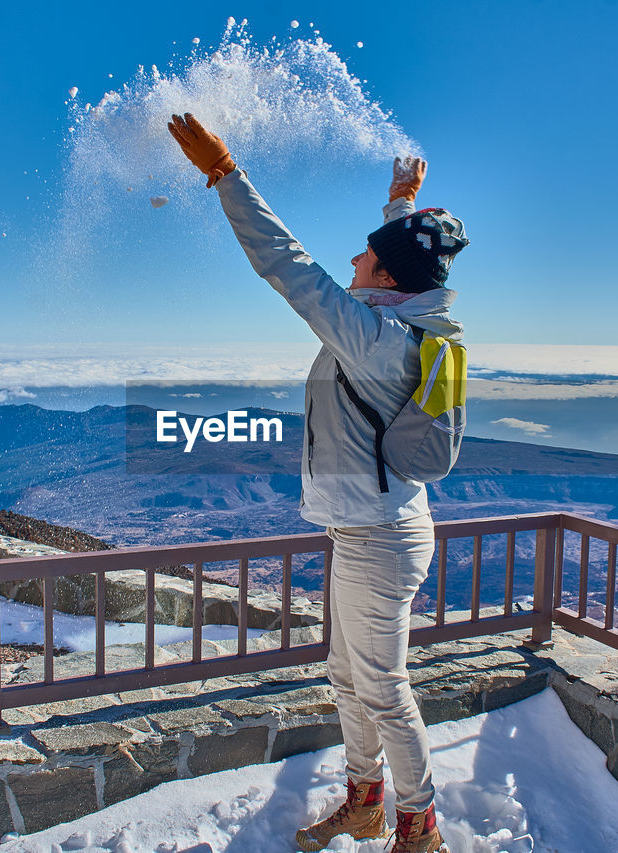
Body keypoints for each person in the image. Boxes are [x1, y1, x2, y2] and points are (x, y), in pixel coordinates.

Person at [169, 113, 468, 853]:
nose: (354, 263)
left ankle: (420, 824)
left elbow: (287, 264)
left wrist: (225, 175)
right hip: (365, 529)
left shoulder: (373, 338)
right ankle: (366, 801)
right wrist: (400, 207)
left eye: (365, 258)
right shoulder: (398, 318)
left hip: (380, 538)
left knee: (385, 688)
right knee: (347, 674)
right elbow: (405, 263)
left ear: (386, 281)